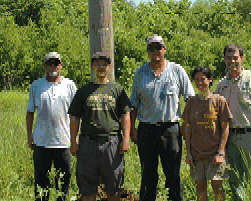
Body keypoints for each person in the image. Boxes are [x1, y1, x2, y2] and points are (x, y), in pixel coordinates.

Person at [130, 35, 195, 201]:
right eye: (151, 48)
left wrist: (185, 124)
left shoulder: (176, 71)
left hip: (171, 129)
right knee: (148, 175)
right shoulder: (140, 73)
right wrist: (132, 129)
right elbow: (134, 104)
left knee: (173, 175)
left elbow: (190, 99)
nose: (155, 51)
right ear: (147, 52)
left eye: (159, 47)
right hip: (146, 129)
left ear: (164, 49)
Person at [68, 52, 132, 201]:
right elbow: (75, 117)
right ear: (92, 66)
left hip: (112, 144)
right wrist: (73, 141)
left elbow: (125, 115)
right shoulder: (83, 91)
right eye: (97, 64)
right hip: (88, 144)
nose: (101, 67)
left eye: (104, 64)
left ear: (109, 67)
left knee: (114, 187)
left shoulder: (117, 90)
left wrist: (126, 138)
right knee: (87, 188)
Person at [215, 44, 251, 200]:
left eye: (235, 57)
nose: (232, 61)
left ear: (242, 58)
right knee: (234, 178)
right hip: (230, 138)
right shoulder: (221, 85)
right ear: (224, 59)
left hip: (250, 136)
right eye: (228, 57)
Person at [26, 52, 77, 201]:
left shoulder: (70, 85)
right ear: (44, 66)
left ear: (61, 65)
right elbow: (30, 113)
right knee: (41, 186)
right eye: (49, 63)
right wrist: (29, 135)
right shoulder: (36, 85)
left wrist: (76, 137)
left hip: (64, 142)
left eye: (56, 63)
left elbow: (76, 115)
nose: (53, 66)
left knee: (63, 185)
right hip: (41, 143)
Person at [181, 66, 232, 201]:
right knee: (201, 190)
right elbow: (187, 128)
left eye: (203, 79)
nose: (199, 83)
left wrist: (221, 152)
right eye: (196, 80)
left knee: (217, 189)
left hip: (214, 155)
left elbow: (225, 127)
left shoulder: (219, 101)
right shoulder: (191, 102)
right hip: (197, 155)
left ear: (210, 80)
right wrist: (189, 153)